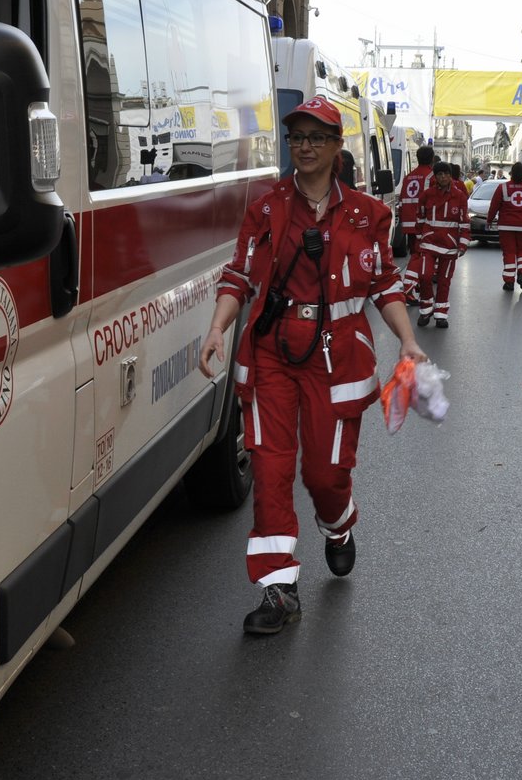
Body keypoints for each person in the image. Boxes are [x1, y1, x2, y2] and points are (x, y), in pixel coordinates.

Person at [199, 96, 427, 635]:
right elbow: (239, 276)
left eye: (315, 138)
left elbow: (384, 284)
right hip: (273, 353)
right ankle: (278, 588)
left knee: (324, 475)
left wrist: (408, 341)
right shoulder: (267, 208)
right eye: (295, 137)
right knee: (271, 468)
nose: (302, 146)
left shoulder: (369, 215)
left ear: (335, 147)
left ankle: (339, 525)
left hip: (337, 357)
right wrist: (217, 328)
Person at [415, 163, 470, 329]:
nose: (443, 177)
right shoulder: (427, 195)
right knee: (424, 276)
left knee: (444, 281)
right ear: (435, 176)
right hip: (429, 244)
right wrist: (420, 238)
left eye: (446, 174)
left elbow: (464, 223)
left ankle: (440, 315)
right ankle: (425, 310)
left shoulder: (459, 197)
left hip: (449, 246)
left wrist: (462, 245)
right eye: (439, 174)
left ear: (450, 176)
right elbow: (420, 217)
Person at [487, 161, 522, 291]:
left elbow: (494, 205)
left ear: (511, 173)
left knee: (509, 252)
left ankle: (509, 282)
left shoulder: (503, 187)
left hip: (506, 226)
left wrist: (490, 220)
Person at [397, 144, 436, 297]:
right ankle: (408, 288)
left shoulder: (408, 177)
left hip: (408, 223)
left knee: (415, 253)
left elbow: (401, 201)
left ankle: (417, 283)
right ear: (432, 159)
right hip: (423, 224)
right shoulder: (431, 177)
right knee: (419, 256)